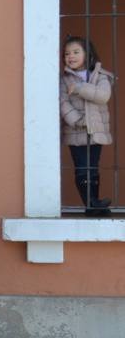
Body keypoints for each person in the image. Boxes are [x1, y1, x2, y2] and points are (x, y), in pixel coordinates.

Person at [61, 36, 114, 216]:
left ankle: (94, 204)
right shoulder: (64, 79)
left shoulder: (101, 76)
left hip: (96, 131)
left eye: (76, 52)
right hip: (76, 131)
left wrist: (79, 88)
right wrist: (77, 121)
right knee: (82, 167)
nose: (71, 56)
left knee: (93, 167)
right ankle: (91, 203)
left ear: (88, 55)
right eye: (67, 53)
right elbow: (63, 103)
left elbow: (103, 96)